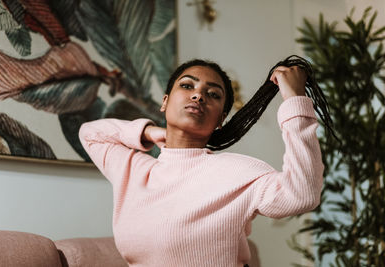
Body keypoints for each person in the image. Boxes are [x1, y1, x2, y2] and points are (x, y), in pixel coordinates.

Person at [78, 59, 324, 267]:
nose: (198, 95)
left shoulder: (239, 173)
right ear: (165, 102)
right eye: (187, 85)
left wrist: (294, 100)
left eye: (213, 94)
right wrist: (148, 131)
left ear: (220, 120)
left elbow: (302, 195)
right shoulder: (135, 170)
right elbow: (90, 134)